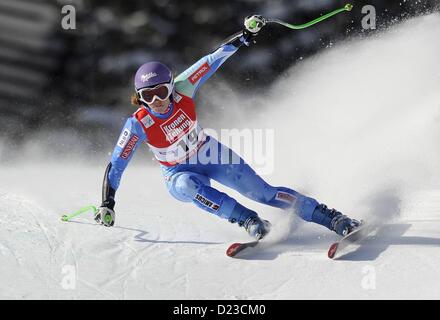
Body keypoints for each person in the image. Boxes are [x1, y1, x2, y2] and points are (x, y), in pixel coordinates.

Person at [95, 15, 360, 240]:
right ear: (139, 98)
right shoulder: (139, 123)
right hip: (177, 172)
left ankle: (332, 218)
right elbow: (117, 164)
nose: (158, 101)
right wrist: (108, 202)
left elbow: (212, 60)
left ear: (171, 86)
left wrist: (245, 35)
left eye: (162, 91)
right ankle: (249, 221)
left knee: (263, 193)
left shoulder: (183, 88)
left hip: (209, 154)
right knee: (187, 185)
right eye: (148, 96)